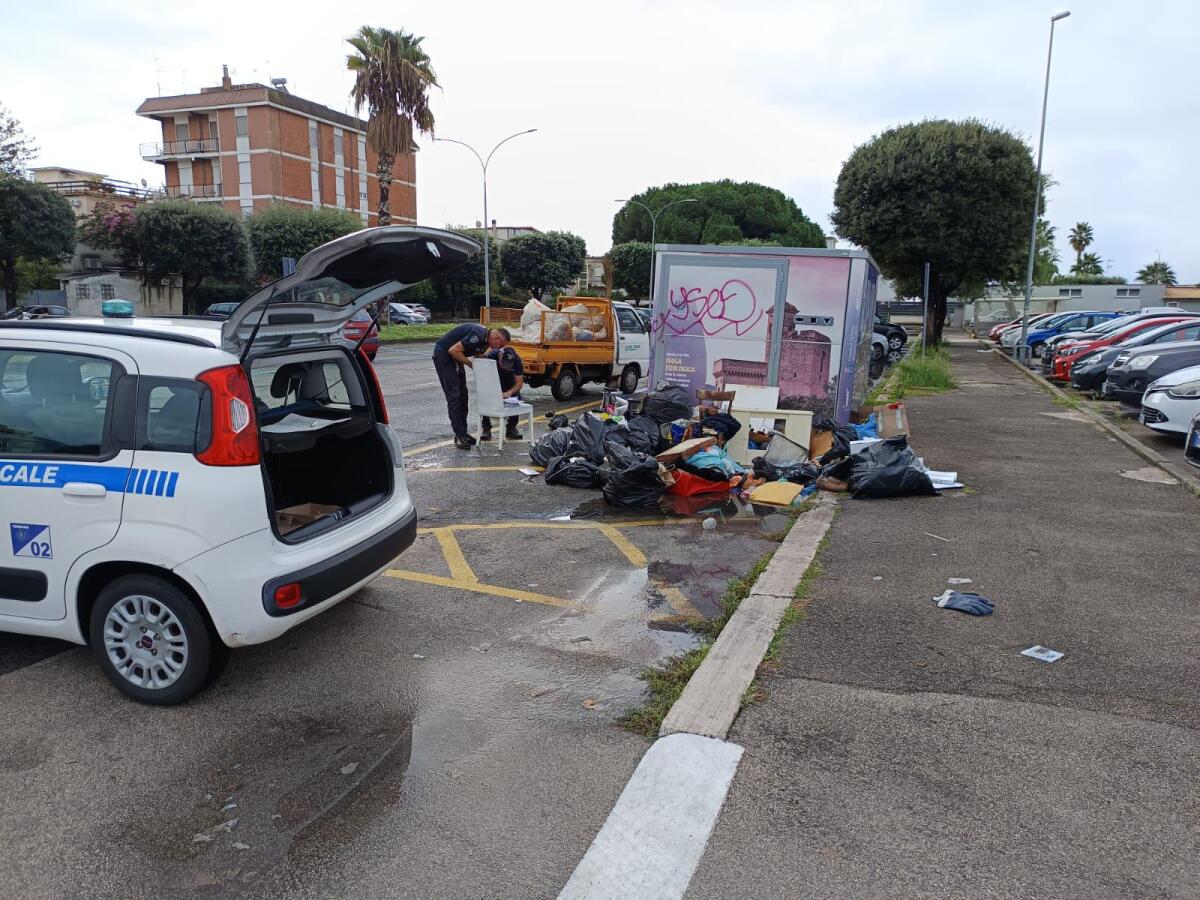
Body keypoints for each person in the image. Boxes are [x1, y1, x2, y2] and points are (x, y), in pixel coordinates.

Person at [432, 324, 510, 449]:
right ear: (496, 337)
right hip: (444, 355)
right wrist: (470, 364)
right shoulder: (478, 335)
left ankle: (463, 433)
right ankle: (459, 435)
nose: (499, 348)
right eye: (500, 345)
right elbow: (453, 350)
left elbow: (478, 355)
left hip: (455, 357)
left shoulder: (485, 343)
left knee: (464, 396)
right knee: (454, 397)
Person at [480, 345, 525, 442]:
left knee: (515, 397)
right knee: (485, 397)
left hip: (509, 378)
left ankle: (511, 428)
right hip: (492, 376)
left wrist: (509, 392)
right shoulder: (491, 356)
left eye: (508, 364)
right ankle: (486, 429)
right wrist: (494, 392)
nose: (505, 366)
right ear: (500, 355)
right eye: (504, 363)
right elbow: (483, 377)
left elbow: (519, 383)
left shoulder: (517, 360)